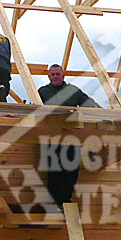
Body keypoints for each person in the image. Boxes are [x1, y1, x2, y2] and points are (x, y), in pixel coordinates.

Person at [38, 64, 100, 208]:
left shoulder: (72, 91)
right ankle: (54, 204)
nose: (55, 77)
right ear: (49, 76)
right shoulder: (42, 92)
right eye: (52, 74)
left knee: (70, 172)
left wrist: (105, 115)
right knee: (53, 172)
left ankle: (65, 202)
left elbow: (89, 104)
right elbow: (34, 108)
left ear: (63, 75)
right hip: (51, 138)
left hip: (72, 138)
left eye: (57, 74)